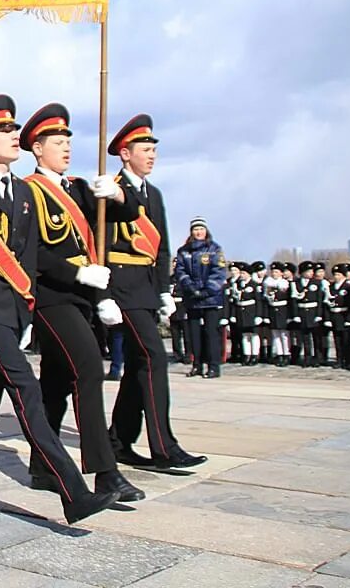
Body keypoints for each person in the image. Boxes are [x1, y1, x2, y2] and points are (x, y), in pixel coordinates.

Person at [0, 94, 118, 524]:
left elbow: (29, 260)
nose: (15, 136)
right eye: (6, 131)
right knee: (28, 391)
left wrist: (26, 314)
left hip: (12, 308)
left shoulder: (23, 192)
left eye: (15, 129)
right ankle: (73, 491)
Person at [19, 101, 145, 503]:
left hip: (84, 299)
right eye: (57, 141)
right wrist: (76, 273)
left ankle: (42, 464)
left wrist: (119, 195)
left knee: (55, 383)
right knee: (89, 370)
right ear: (37, 149)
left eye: (68, 141)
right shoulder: (27, 191)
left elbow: (129, 215)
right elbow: (30, 252)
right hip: (53, 299)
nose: (66, 147)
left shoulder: (76, 188)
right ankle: (105, 472)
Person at [105, 114, 206, 470]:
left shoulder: (155, 193)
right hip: (121, 286)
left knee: (137, 365)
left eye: (153, 150)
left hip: (147, 288)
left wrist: (164, 289)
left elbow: (161, 245)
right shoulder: (110, 189)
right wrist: (103, 295)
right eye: (144, 150)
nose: (151, 156)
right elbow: (98, 245)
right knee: (153, 358)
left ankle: (117, 439)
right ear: (124, 153)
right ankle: (164, 445)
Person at [173, 217, 227, 379]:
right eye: (195, 229)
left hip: (210, 298)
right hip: (192, 298)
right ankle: (197, 365)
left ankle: (214, 366)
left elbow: (219, 272)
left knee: (211, 333)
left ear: (206, 231)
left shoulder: (214, 249)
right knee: (193, 334)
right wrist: (190, 287)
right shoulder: (184, 251)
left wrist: (207, 290)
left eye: (201, 229)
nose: (198, 232)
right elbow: (180, 272)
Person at [229, 262, 265, 365]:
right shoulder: (238, 286)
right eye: (241, 273)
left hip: (251, 313)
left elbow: (259, 301)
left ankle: (254, 355)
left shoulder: (255, 285)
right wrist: (233, 314)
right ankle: (246, 354)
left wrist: (259, 315)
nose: (241, 275)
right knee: (244, 335)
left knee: (253, 335)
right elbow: (235, 301)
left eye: (243, 273)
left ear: (249, 274)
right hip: (241, 312)